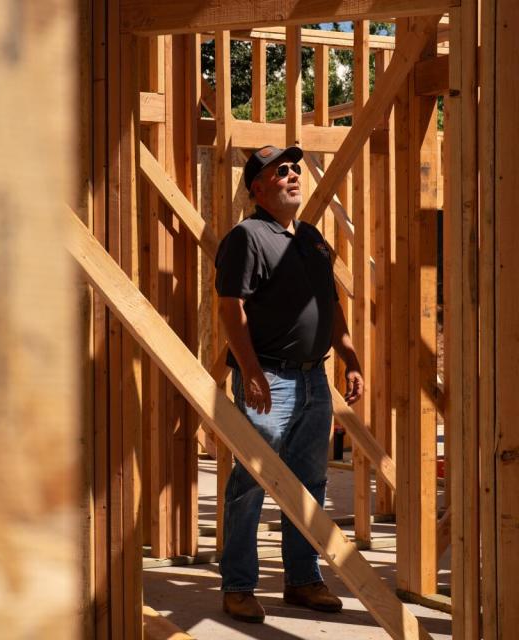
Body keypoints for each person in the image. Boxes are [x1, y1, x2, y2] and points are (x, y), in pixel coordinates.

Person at [214, 145, 364, 624]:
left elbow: (330, 305)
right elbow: (229, 309)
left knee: (310, 484)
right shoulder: (247, 237)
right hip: (270, 379)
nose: (294, 173)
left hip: (313, 379)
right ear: (257, 188)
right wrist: (252, 371)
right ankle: (238, 586)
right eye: (281, 170)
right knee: (252, 484)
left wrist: (350, 357)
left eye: (296, 168)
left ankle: (302, 579)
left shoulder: (313, 240)